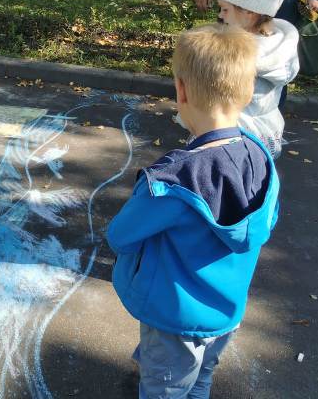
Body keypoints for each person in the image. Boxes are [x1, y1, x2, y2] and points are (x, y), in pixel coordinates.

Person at [107, 24, 279, 399]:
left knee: (165, 387)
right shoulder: (259, 157)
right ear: (248, 90)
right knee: (201, 377)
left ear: (181, 91)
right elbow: (266, 221)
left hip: (176, 316)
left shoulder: (175, 179)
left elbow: (120, 235)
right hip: (227, 312)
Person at [215, 0, 300, 157]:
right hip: (266, 132)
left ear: (249, 13)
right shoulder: (277, 46)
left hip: (236, 136)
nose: (220, 16)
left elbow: (221, 96)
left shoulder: (242, 55)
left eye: (225, 9)